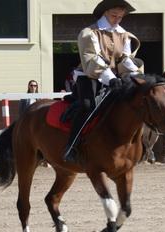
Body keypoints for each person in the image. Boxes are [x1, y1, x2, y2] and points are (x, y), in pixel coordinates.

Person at [63, 0, 141, 163]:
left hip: (113, 77)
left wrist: (136, 74)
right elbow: (93, 59)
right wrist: (111, 78)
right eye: (114, 15)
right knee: (88, 106)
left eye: (121, 17)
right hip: (88, 75)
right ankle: (71, 146)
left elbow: (125, 59)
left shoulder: (124, 35)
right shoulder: (89, 33)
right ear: (105, 12)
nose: (117, 19)